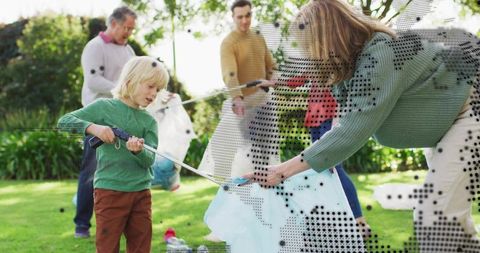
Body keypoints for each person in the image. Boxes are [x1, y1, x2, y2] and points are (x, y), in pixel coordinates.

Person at [247, 0, 480, 251]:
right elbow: (344, 123)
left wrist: (280, 171)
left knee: (435, 214)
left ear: (326, 37)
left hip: (471, 112)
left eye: (308, 45)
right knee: (451, 221)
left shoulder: (381, 53)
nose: (307, 54)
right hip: (449, 127)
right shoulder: (351, 68)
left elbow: (353, 130)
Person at [58, 56, 169, 252]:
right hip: (109, 192)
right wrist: (94, 128)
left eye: (158, 90)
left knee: (141, 247)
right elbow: (64, 122)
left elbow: (148, 160)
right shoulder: (103, 107)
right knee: (107, 248)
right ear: (131, 80)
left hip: (141, 194)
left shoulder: (149, 122)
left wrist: (138, 151)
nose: (154, 94)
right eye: (150, 86)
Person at [74, 6, 136, 238]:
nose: (129, 33)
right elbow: (93, 81)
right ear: (113, 23)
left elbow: (135, 79)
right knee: (91, 171)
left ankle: (118, 223)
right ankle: (81, 225)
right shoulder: (95, 47)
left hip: (121, 116)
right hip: (96, 118)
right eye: (126, 28)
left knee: (122, 170)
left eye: (131, 29)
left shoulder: (128, 51)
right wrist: (121, 90)